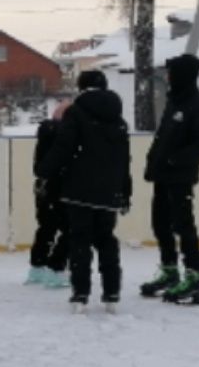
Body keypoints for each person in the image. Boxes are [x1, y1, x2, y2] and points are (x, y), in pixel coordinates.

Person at [36, 71, 131, 313]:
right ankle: (112, 293)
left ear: (81, 88)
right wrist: (124, 191)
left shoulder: (76, 114)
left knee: (80, 241)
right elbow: (124, 160)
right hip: (109, 191)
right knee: (106, 240)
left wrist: (44, 171)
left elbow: (64, 147)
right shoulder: (118, 120)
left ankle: (81, 294)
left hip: (78, 190)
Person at [140, 53, 199, 305]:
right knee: (160, 223)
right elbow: (163, 137)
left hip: (181, 176)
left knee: (183, 225)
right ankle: (170, 271)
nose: (168, 77)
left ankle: (194, 277)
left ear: (183, 75)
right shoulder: (174, 102)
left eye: (171, 72)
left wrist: (175, 160)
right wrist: (154, 163)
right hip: (163, 175)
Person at [26, 101, 71, 288]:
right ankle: (56, 268)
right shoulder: (66, 135)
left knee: (46, 227)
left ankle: (37, 266)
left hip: (44, 186)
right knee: (70, 227)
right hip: (62, 186)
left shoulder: (45, 132)